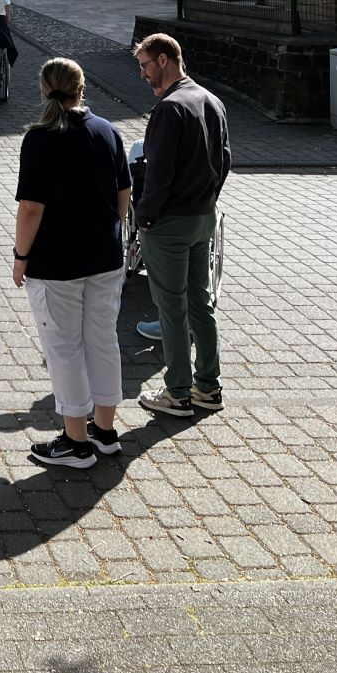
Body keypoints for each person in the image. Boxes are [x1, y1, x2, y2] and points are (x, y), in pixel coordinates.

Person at [13, 58, 132, 469]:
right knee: (103, 341)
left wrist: (20, 256)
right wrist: (111, 230)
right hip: (104, 255)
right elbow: (124, 192)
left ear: (45, 90)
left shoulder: (40, 138)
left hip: (56, 261)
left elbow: (31, 208)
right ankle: (105, 431)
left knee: (64, 348)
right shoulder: (106, 130)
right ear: (82, 89)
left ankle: (76, 442)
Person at [132, 33, 231, 417]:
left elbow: (158, 174)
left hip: (169, 222)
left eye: (144, 65)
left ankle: (177, 392)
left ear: (163, 60)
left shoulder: (169, 109)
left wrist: (145, 219)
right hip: (202, 217)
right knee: (201, 304)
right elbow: (225, 160)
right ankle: (208, 386)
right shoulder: (212, 101)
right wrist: (208, 201)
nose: (142, 74)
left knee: (172, 310)